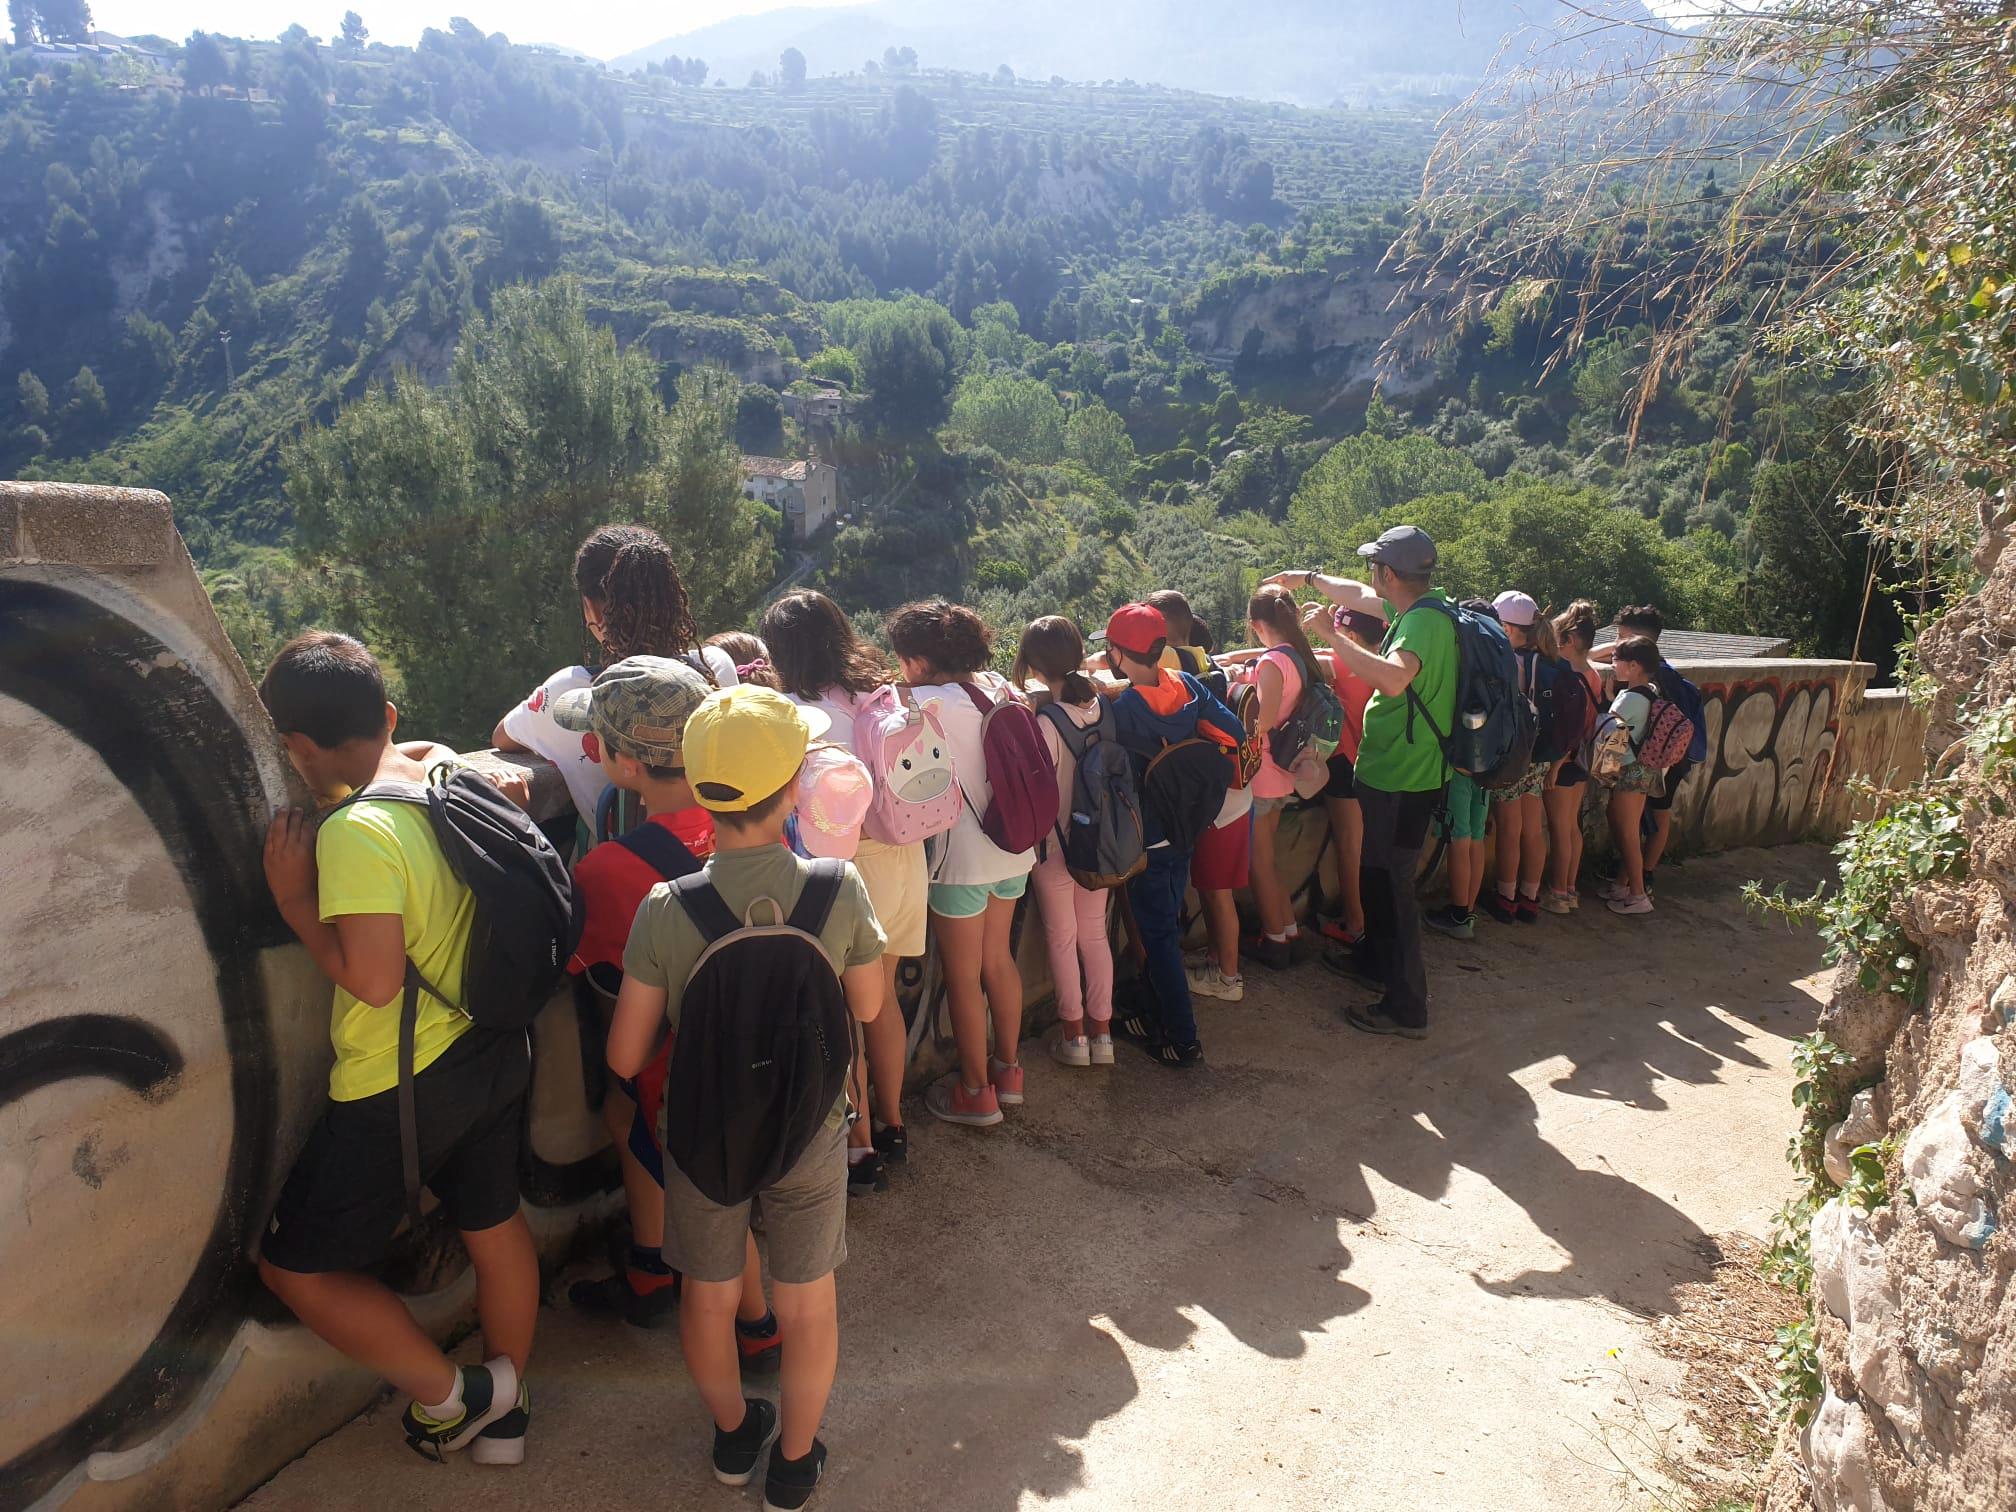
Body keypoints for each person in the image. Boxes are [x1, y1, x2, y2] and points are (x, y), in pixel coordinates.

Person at [256, 632, 537, 1464]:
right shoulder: (445, 774)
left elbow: (373, 982)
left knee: (294, 1269)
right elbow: (417, 751)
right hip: (492, 1043)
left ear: (295, 747)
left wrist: (296, 902)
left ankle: (462, 1396)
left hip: (400, 1081)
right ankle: (508, 1417)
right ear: (385, 713)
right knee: (494, 1225)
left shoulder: (356, 833)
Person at [609, 685, 886, 1511]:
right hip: (808, 1125)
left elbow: (626, 1051)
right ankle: (795, 1465)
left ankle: (735, 1437)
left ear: (697, 788)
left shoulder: (669, 906)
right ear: (796, 785)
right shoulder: (837, 888)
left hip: (703, 1135)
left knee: (710, 1292)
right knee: (808, 1307)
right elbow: (869, 1006)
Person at [547, 657, 779, 1370]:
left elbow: (579, 967)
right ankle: (650, 1270)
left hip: (679, 1080)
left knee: (712, 1195)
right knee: (629, 1121)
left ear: (620, 763)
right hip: (769, 1052)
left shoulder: (609, 871)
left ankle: (760, 1328)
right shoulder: (757, 826)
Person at [760, 589, 921, 1186]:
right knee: (882, 1008)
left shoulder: (803, 710)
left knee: (846, 1011)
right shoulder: (879, 690)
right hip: (906, 855)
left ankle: (858, 1147)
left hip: (855, 870)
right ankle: (893, 1123)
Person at [1292, 529, 1457, 1040]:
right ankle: (1372, 963)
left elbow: (1393, 679)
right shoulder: (1426, 609)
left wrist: (1331, 637)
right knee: (1376, 874)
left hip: (1407, 776)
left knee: (1393, 888)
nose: (1369, 578)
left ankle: (1406, 1007)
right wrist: (1311, 580)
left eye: (1374, 568)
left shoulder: (1422, 625)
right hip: (1396, 771)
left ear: (1389, 573)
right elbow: (1360, 597)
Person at [886, 600, 1035, 1127]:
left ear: (920, 661)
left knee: (964, 976)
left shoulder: (925, 701)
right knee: (1000, 961)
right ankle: (1009, 1072)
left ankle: (976, 1092)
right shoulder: (1000, 686)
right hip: (1015, 845)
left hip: (960, 858)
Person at [493, 524, 737, 845]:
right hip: (716, 854)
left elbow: (502, 736)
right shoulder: (715, 669)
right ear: (672, 596)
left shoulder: (572, 692)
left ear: (591, 610)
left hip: (624, 878)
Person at [1102, 602, 1245, 1068]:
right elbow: (1234, 731)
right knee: (1164, 919)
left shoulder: (1121, 709)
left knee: (1158, 934)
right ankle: (1147, 1011)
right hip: (1186, 826)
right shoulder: (1186, 686)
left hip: (1146, 836)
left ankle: (1183, 1040)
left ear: (1118, 656)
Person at [1012, 615, 1117, 1066]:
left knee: (1061, 937)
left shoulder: (1047, 723)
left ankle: (1073, 1035)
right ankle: (1103, 1035)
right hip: (1102, 844)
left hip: (1056, 848)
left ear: (1034, 668)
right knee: (1095, 936)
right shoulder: (1103, 707)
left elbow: (1039, 789)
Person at [1235, 584, 1329, 968]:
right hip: (1284, 774)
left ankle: (1275, 941)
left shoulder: (1271, 663)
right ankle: (1289, 929)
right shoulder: (1298, 657)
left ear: (1257, 624)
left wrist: (1241, 687)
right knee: (1269, 859)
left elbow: (1263, 723)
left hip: (1264, 775)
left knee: (1259, 863)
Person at [1591, 603, 1706, 892]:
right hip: (1667, 757)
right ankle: (1639, 875)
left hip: (1649, 760)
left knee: (1637, 822)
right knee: (1653, 816)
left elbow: (1590, 658)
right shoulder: (1656, 670)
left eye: (1621, 636)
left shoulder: (1644, 679)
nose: (1616, 644)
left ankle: (1638, 882)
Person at [1300, 600, 1383, 948]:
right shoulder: (1383, 659)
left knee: (1350, 847)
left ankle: (1355, 924)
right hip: (1377, 763)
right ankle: (1375, 919)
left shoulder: (1342, 664)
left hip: (1345, 762)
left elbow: (1295, 656)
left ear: (1348, 635)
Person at [1483, 591, 1554, 925]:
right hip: (1539, 757)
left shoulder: (1510, 661)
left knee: (1509, 831)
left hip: (1514, 755)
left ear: (1508, 629)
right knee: (1532, 830)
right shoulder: (1549, 659)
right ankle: (1530, 897)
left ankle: (1506, 898)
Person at [1542, 600, 1605, 911]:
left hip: (1563, 760)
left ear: (1566, 641)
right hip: (1583, 757)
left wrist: (1554, 766)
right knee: (1572, 827)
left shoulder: (1566, 677)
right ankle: (1570, 889)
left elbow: (1568, 726)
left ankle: (1557, 893)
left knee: (1559, 828)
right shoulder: (1593, 674)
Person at [1603, 638, 1665, 916]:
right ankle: (1622, 886)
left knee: (1627, 833)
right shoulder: (1650, 691)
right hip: (1644, 769)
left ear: (1634, 666)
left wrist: (1608, 700)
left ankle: (1638, 895)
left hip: (1630, 770)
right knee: (1628, 829)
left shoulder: (1630, 698)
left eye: (1616, 659)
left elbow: (1606, 729)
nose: (1612, 664)